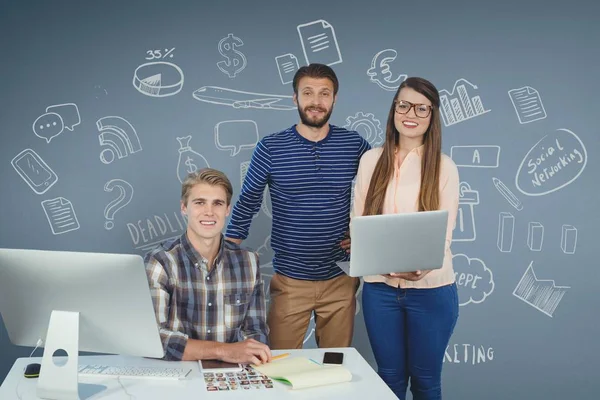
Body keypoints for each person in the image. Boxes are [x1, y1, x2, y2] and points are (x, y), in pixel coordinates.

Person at [225, 63, 371, 349]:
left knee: (334, 367)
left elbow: (382, 188)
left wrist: (368, 237)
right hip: (290, 281)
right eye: (308, 93)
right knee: (280, 369)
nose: (316, 102)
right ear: (295, 98)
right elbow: (248, 200)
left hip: (341, 279)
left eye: (324, 94)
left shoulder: (353, 144)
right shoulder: (271, 147)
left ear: (334, 99)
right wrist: (223, 254)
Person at [352, 77, 460, 399]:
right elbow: (358, 222)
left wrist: (424, 267)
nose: (410, 113)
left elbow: (445, 232)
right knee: (388, 380)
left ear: (432, 116)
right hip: (379, 291)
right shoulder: (371, 160)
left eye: (421, 107)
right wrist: (375, 260)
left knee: (426, 381)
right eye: (403, 104)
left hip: (431, 290)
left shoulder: (444, 167)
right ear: (394, 109)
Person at [145, 168, 272, 365]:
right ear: (184, 207)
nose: (209, 212)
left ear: (227, 209)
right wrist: (224, 351)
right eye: (200, 202)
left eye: (218, 203)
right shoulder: (160, 261)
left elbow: (256, 332)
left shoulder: (248, 261)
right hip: (178, 375)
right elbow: (152, 338)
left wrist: (248, 355)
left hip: (234, 376)